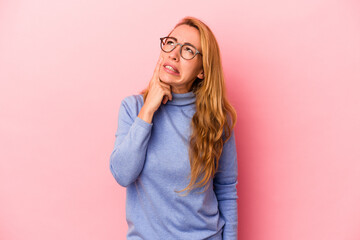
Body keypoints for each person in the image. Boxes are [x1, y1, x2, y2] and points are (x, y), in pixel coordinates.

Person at [109, 16, 238, 240]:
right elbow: (122, 174)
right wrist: (148, 110)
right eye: (170, 43)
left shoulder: (218, 119)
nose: (174, 54)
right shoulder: (133, 109)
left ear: (202, 70)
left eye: (188, 50)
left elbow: (226, 188)